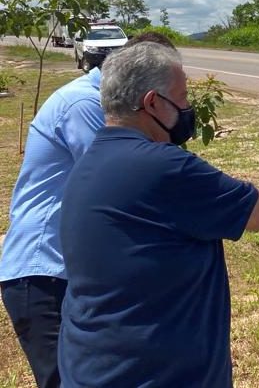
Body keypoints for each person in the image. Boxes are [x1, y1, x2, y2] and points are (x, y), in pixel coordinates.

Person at [58, 42, 259, 386]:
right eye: (183, 96)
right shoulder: (165, 167)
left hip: (94, 367)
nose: (188, 107)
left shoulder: (89, 162)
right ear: (153, 103)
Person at [0, 31, 175, 388]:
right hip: (44, 272)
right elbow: (124, 180)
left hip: (73, 271)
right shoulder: (85, 105)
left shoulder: (110, 104)